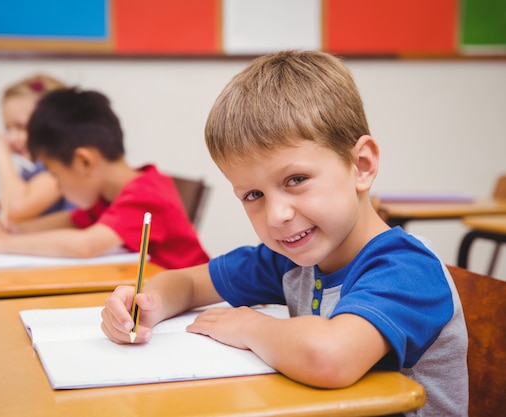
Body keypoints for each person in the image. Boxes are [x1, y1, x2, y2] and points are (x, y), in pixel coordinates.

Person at [100, 50, 468, 416]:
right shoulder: (290, 259)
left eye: (296, 180)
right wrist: (146, 305)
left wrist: (248, 325)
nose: (276, 216)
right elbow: (190, 283)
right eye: (253, 195)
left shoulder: (407, 269)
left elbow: (328, 357)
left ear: (361, 165)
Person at [0, 88, 209, 270]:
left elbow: (85, 245)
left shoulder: (146, 194)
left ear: (84, 161)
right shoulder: (113, 192)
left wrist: (2, 245)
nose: (58, 186)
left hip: (195, 307)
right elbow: (73, 220)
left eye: (55, 174)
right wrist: (17, 230)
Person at [0, 73, 74, 224]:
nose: (11, 138)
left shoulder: (62, 165)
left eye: (21, 127)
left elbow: (17, 209)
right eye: (8, 129)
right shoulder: (34, 167)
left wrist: (2, 155)